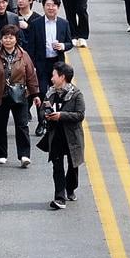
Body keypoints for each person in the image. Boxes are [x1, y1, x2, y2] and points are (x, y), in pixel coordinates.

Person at [0, 25, 39, 166]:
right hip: (0, 95)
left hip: (20, 95)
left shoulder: (23, 56)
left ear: (16, 39)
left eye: (11, 37)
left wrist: (35, 94)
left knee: (22, 125)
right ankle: (1, 154)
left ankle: (24, 155)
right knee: (0, 125)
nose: (8, 40)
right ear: (1, 40)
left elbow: (31, 75)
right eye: (5, 37)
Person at [42, 62, 86, 210]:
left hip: (72, 137)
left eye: (54, 75)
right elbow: (44, 108)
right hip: (56, 136)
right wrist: (46, 115)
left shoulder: (76, 94)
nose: (52, 78)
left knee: (73, 166)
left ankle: (71, 188)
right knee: (57, 166)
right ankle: (59, 198)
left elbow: (80, 115)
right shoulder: (51, 92)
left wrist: (61, 115)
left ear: (62, 77)